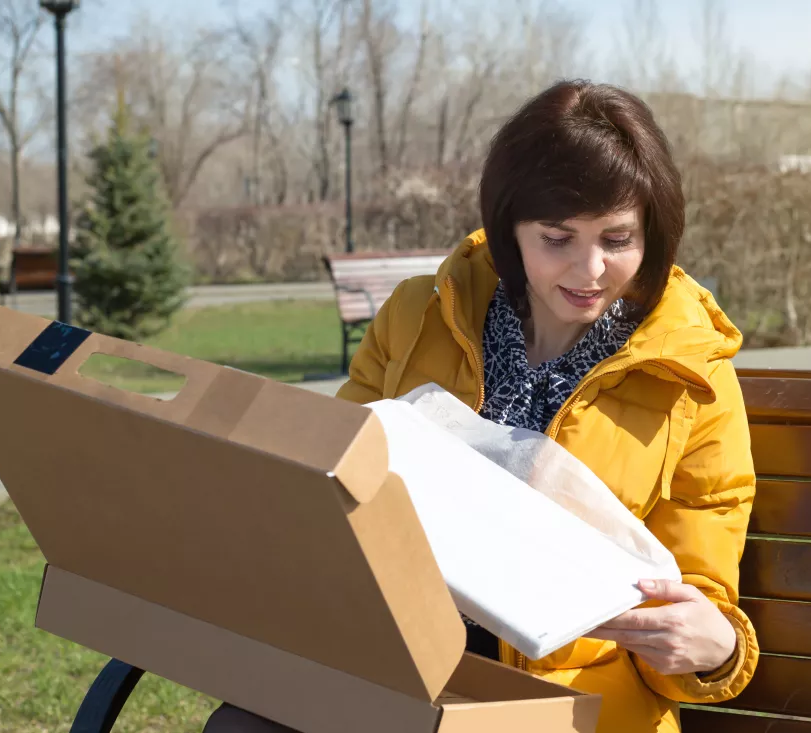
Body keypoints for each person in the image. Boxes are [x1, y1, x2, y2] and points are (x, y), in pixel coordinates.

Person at [204, 79, 757, 733]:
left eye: (617, 239)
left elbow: (699, 603)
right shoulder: (420, 316)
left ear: (654, 234)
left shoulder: (691, 377)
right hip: (396, 669)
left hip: (565, 709)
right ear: (509, 231)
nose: (591, 269)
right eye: (558, 238)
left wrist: (713, 650)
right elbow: (331, 486)